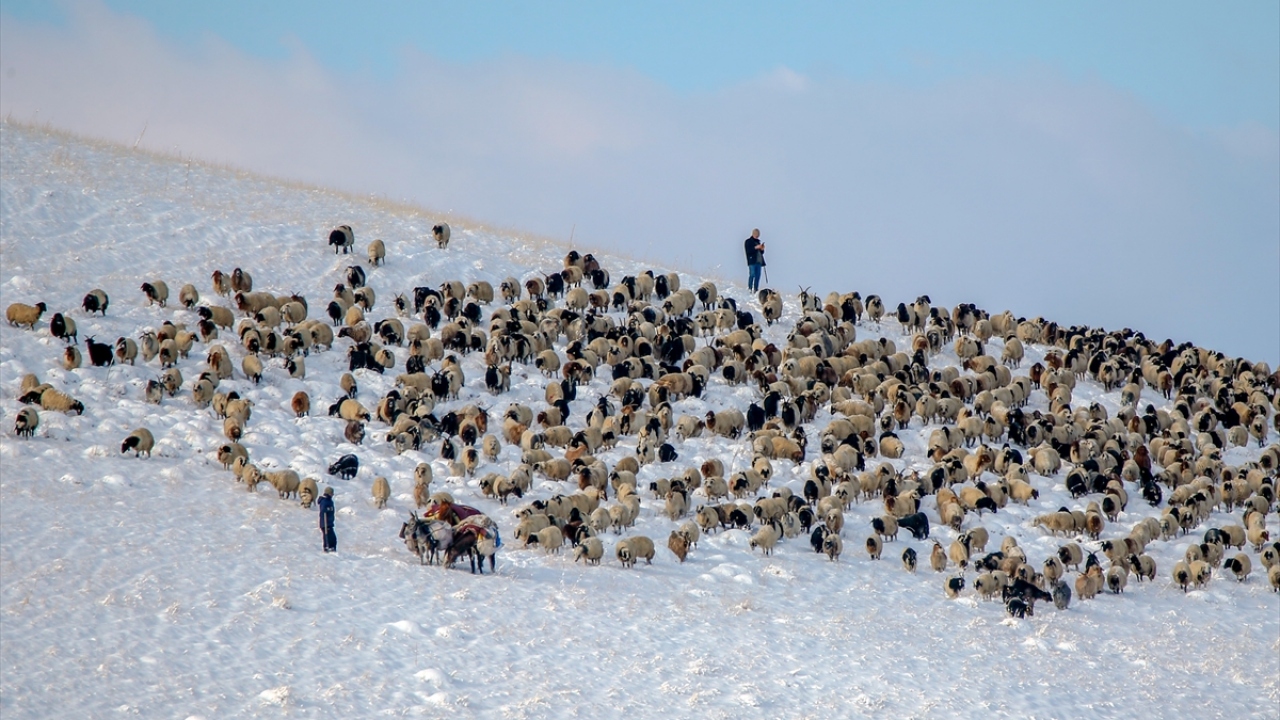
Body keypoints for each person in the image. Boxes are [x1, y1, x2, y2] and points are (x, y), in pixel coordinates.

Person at [318, 486, 337, 553]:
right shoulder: (325, 501)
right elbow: (323, 511)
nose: (332, 494)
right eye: (331, 493)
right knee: (328, 536)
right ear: (328, 493)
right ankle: (327, 547)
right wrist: (328, 509)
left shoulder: (329, 500)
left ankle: (332, 548)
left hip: (329, 522)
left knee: (332, 537)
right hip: (325, 523)